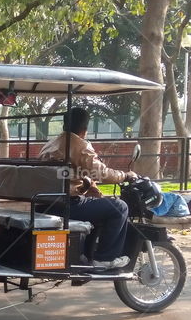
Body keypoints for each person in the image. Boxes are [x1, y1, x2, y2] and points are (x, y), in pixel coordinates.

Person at [39, 107, 137, 270]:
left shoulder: (50, 144)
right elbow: (101, 172)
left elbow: (67, 174)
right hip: (67, 205)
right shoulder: (78, 145)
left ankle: (85, 254)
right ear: (84, 129)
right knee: (120, 207)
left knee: (99, 205)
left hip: (44, 203)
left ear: (64, 125)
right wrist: (125, 176)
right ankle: (105, 258)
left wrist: (87, 185)